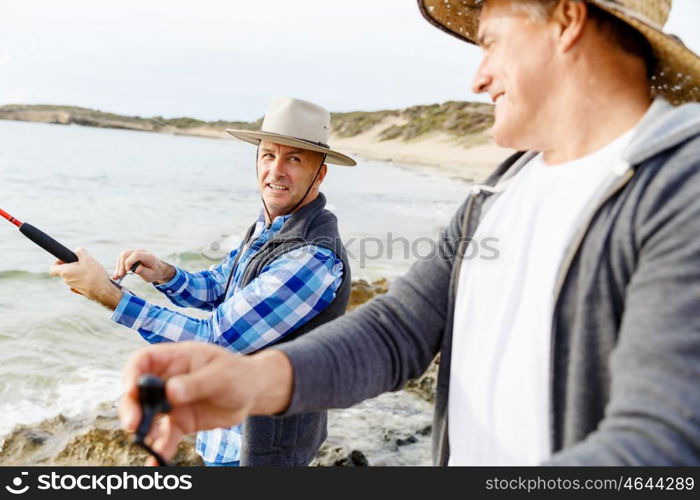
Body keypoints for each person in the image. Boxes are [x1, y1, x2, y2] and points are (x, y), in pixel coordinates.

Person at [120, 0, 700, 466]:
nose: (479, 77)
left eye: (491, 42)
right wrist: (253, 380)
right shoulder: (497, 193)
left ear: (568, 19)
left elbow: (665, 440)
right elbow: (397, 332)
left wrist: (114, 297)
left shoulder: (680, 190)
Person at [50, 96, 357, 466]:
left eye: (293, 159)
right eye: (268, 155)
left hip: (261, 451)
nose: (276, 171)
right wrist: (165, 274)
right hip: (224, 436)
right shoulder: (271, 224)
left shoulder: (312, 256)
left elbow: (217, 339)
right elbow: (221, 287)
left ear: (319, 173)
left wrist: (108, 294)